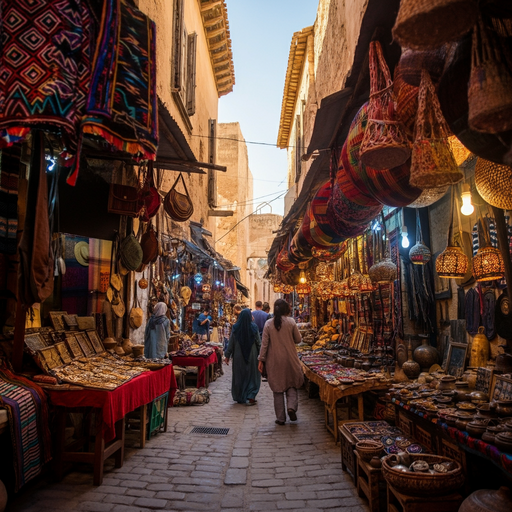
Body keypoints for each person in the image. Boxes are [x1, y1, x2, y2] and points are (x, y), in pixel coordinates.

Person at [258, 299, 304, 425]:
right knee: (291, 384)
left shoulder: (268, 324)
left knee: (277, 390)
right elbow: (298, 339)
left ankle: (280, 418)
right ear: (286, 309)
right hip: (290, 359)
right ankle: (291, 407)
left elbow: (264, 345)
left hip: (274, 362)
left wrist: (261, 360)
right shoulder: (291, 322)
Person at [224, 309, 261, 405]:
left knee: (239, 374)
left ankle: (240, 396)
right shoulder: (254, 327)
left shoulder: (236, 327)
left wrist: (227, 355)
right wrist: (262, 356)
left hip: (238, 354)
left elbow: (231, 342)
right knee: (252, 375)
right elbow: (258, 342)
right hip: (252, 354)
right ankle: (251, 395)